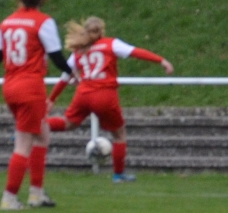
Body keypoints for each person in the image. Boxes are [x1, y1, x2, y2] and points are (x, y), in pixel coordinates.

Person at [0, 0, 74, 211]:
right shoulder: (43, 22)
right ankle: (9, 198)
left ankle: (36, 193)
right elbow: (55, 56)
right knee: (24, 143)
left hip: (11, 86)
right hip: (30, 87)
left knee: (42, 134)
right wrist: (72, 73)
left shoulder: (7, 23)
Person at [46, 16, 172, 182]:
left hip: (83, 94)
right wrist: (161, 60)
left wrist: (52, 99)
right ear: (101, 31)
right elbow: (136, 52)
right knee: (119, 134)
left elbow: (65, 77)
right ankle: (118, 175)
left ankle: (31, 126)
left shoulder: (78, 51)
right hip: (104, 95)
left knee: (68, 124)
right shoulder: (111, 44)